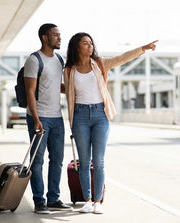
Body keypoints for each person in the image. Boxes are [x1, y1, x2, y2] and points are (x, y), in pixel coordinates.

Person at [64, 32, 157, 214]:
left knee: (98, 161)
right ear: (77, 47)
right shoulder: (69, 70)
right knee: (84, 162)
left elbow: (122, 58)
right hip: (80, 116)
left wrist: (143, 49)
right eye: (85, 43)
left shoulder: (100, 64)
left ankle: (98, 201)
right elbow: (67, 91)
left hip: (100, 115)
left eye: (91, 43)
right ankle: (88, 200)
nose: (90, 46)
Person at [24, 23, 72, 214]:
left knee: (57, 159)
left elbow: (55, 86)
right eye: (55, 35)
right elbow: (30, 90)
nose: (59, 38)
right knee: (37, 161)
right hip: (40, 117)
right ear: (45, 37)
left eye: (60, 34)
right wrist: (36, 119)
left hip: (57, 117)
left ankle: (53, 198)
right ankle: (39, 201)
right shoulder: (34, 60)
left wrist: (75, 88)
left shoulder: (59, 59)